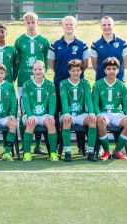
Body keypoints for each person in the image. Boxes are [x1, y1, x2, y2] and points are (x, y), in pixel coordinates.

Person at [48, 15, 89, 156]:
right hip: (60, 84)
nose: (69, 26)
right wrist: (63, 76)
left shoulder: (82, 44)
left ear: (75, 25)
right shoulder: (55, 44)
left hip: (78, 86)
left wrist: (75, 77)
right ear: (62, 26)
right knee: (62, 116)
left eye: (71, 24)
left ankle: (82, 146)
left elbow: (85, 64)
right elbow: (51, 64)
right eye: (66, 24)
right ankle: (61, 145)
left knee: (78, 115)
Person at [15, 12, 50, 155]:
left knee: (39, 110)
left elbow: (46, 61)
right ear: (25, 23)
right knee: (24, 112)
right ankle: (25, 143)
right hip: (24, 81)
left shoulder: (44, 40)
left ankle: (38, 144)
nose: (30, 25)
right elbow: (16, 62)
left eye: (33, 22)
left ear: (37, 22)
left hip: (40, 83)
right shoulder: (19, 41)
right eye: (28, 22)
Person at [93, 57, 127, 161]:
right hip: (103, 113)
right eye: (108, 68)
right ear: (104, 70)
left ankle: (117, 151)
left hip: (117, 114)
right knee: (101, 122)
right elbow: (95, 104)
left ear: (118, 70)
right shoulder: (97, 85)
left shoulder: (122, 86)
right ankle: (106, 151)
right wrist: (98, 114)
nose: (111, 71)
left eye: (113, 68)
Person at [59, 60, 97, 162]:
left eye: (78, 70)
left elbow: (89, 99)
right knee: (67, 120)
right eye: (73, 71)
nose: (75, 73)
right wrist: (66, 113)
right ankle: (67, 153)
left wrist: (92, 112)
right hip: (67, 113)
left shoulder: (85, 83)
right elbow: (64, 100)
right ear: (69, 71)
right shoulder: (63, 83)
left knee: (93, 120)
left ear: (81, 71)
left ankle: (91, 153)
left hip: (81, 114)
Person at [21, 61, 58, 162]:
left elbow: (52, 101)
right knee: (30, 123)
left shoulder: (50, 85)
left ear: (44, 70)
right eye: (35, 69)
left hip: (44, 115)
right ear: (32, 71)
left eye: (40, 69)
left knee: (51, 123)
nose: (38, 71)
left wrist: (51, 115)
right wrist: (30, 115)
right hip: (30, 114)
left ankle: (53, 153)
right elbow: (26, 102)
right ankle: (27, 153)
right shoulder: (27, 84)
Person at [90, 16, 127, 81]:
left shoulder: (123, 43)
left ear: (113, 25)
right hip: (101, 80)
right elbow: (95, 65)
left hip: (118, 80)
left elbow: (125, 64)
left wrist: (114, 72)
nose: (106, 27)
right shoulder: (95, 44)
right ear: (101, 26)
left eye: (109, 25)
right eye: (104, 25)